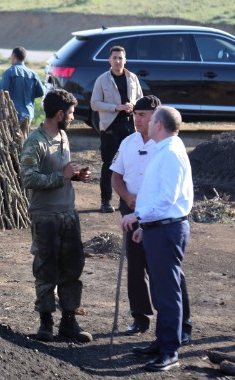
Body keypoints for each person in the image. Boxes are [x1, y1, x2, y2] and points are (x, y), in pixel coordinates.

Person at [110, 96, 193, 344]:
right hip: (134, 211)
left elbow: (167, 195)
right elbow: (116, 175)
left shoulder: (167, 148)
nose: (137, 119)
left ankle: (180, 326)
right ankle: (140, 317)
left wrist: (142, 211)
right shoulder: (128, 142)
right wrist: (127, 198)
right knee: (136, 267)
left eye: (143, 115)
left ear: (157, 119)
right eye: (135, 114)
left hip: (158, 217)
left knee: (168, 274)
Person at [19, 88, 93, 343]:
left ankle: (69, 322)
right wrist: (61, 176)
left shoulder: (63, 135)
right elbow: (28, 178)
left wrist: (76, 177)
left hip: (68, 214)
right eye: (71, 113)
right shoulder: (35, 141)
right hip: (46, 216)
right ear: (59, 113)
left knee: (72, 270)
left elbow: (63, 174)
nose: (73, 118)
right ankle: (46, 323)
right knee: (46, 270)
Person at [90, 46, 143, 213]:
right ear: (109, 60)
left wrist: (133, 106)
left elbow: (141, 99)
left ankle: (125, 200)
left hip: (130, 125)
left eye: (120, 58)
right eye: (115, 58)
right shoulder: (102, 79)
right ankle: (105, 201)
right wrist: (116, 107)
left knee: (129, 164)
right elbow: (94, 103)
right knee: (109, 164)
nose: (118, 61)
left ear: (125, 60)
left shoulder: (132, 78)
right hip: (110, 126)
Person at [0, 46, 45, 139]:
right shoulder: (33, 74)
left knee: (12, 139)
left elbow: (2, 92)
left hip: (13, 113)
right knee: (24, 140)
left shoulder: (9, 72)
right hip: (29, 113)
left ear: (14, 56)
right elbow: (41, 92)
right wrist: (29, 96)